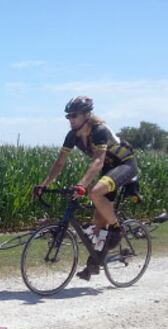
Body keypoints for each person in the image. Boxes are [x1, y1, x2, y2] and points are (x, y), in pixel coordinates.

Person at [34, 96, 138, 281]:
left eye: (74, 115)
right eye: (68, 116)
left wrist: (81, 184)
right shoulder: (72, 135)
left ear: (87, 115)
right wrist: (44, 184)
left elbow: (97, 161)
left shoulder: (99, 130)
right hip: (108, 169)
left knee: (95, 192)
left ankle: (117, 228)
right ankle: (95, 263)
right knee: (98, 223)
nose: (70, 119)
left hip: (124, 165)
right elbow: (60, 163)